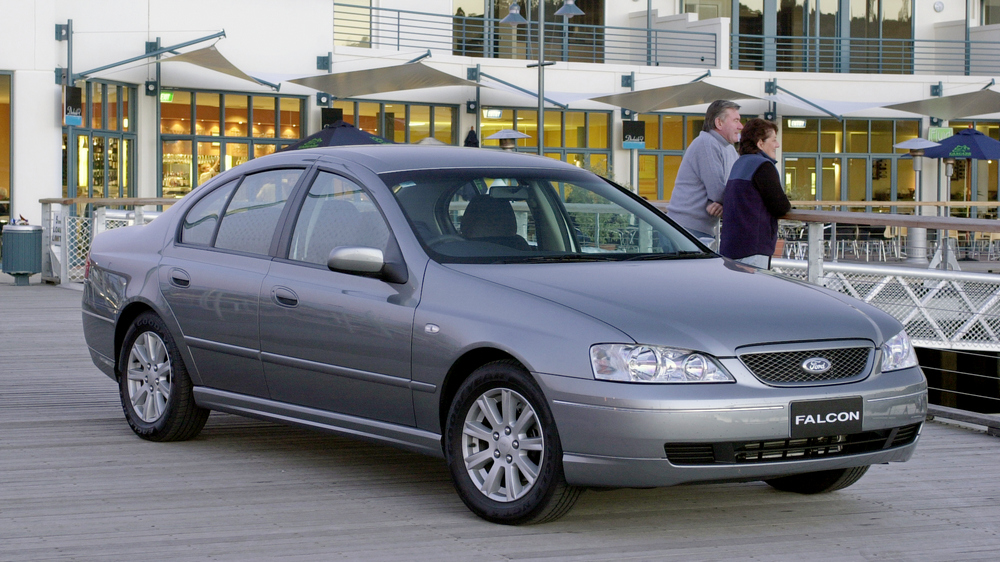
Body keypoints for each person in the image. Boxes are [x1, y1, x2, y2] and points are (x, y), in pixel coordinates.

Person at [666, 100, 742, 248]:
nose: (741, 126)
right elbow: (718, 192)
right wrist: (719, 200)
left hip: (698, 230)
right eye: (736, 120)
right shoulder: (706, 143)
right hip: (685, 231)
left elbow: (728, 190)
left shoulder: (729, 149)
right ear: (719, 123)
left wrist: (718, 202)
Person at [719, 118, 791, 269]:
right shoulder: (763, 166)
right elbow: (780, 206)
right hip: (753, 249)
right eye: (774, 140)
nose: (777, 145)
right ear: (760, 143)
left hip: (730, 248)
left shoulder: (738, 164)